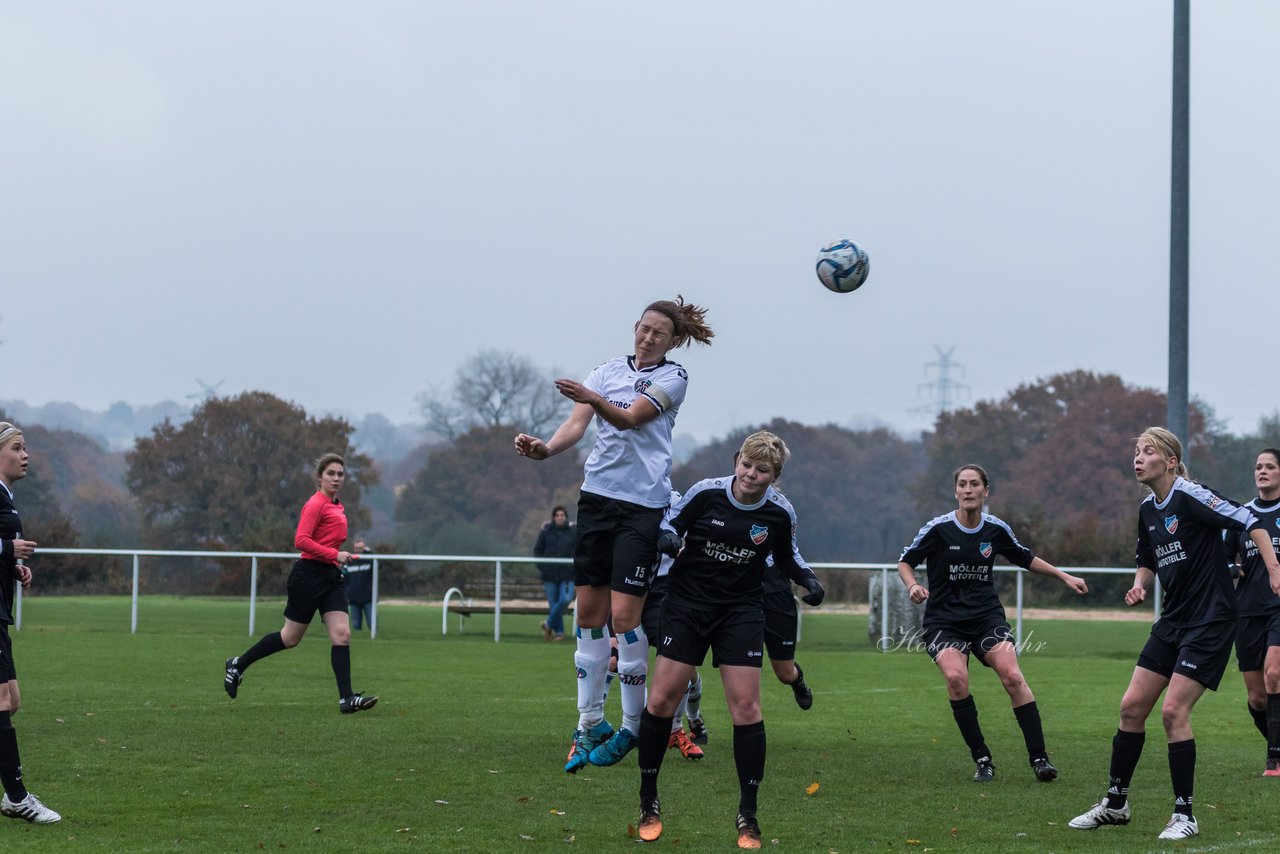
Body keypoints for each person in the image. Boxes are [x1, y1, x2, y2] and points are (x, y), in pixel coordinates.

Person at [515, 296, 713, 773]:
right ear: (635, 327)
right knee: (589, 613)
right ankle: (589, 723)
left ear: (673, 341)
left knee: (626, 618)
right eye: (643, 328)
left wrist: (592, 397)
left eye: (658, 333)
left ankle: (633, 725)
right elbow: (577, 425)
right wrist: (547, 450)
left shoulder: (674, 378)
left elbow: (629, 417)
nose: (647, 338)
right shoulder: (606, 370)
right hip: (598, 500)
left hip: (642, 508)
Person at [1069, 428, 1280, 840]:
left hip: (1212, 620)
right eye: (1135, 450)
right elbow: (1147, 558)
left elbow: (1250, 519)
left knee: (1172, 712)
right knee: (1131, 707)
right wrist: (1140, 583)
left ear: (1169, 461)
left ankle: (1185, 815)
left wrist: (1273, 567)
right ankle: (1115, 804)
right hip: (1174, 619)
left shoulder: (1191, 495)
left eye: (1147, 451)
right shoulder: (1149, 509)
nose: (1138, 457)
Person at [632, 431, 825, 849]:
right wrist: (667, 538)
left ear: (775, 476)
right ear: (737, 461)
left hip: (740, 611)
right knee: (663, 699)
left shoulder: (778, 511)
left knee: (747, 707)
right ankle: (649, 801)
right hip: (687, 607)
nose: (751, 475)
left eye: (763, 470)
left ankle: (748, 815)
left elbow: (789, 554)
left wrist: (807, 579)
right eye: (747, 465)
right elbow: (670, 522)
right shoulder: (706, 493)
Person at [897, 463, 1087, 785]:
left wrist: (1063, 575)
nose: (968, 490)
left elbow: (1025, 557)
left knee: (1013, 676)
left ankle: (1039, 759)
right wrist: (912, 585)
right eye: (962, 484)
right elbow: (905, 561)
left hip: (986, 617)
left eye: (974, 484)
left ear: (986, 491)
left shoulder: (995, 529)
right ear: (955, 491)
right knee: (956, 678)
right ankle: (982, 758)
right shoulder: (938, 529)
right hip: (944, 621)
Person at [223, 453, 378, 714]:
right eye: (331, 473)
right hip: (308, 576)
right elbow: (301, 540)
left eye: (340, 474)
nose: (337, 478)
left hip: (331, 576)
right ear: (320, 477)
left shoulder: (337, 506)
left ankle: (346, 699)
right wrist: (334, 554)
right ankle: (237, 664)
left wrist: (336, 557)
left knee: (342, 635)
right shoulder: (315, 504)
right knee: (290, 638)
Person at [0, 423, 61, 824]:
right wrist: (7, 548)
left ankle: (12, 796)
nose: (26, 456)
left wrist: (14, 567)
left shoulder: (7, 498)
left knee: (11, 701)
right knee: (2, 702)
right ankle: (17, 797)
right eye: (18, 448)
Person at [639, 490, 705, 761]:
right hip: (628, 583)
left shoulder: (681, 501)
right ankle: (599, 726)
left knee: (680, 664)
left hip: (666, 587)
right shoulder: (628, 496)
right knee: (613, 659)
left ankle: (678, 728)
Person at [1230, 448, 1280, 775]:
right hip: (1246, 612)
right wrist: (1232, 568)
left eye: (1270, 467)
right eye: (1259, 466)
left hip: (1278, 608)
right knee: (1257, 698)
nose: (1262, 471)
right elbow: (1221, 559)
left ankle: (1274, 760)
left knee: (1274, 674)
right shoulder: (1241, 515)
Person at [534, 506, 576, 641]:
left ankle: (547, 624)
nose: (560, 517)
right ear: (553, 517)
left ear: (566, 517)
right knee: (553, 604)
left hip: (567, 574)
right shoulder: (546, 532)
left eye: (562, 515)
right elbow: (538, 551)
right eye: (557, 515)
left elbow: (578, 550)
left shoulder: (572, 532)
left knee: (565, 599)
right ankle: (559, 633)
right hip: (550, 574)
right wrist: (543, 567)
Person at [343, 541, 373, 632]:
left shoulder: (369, 560)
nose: (358, 550)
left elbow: (379, 564)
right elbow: (344, 579)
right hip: (353, 599)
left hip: (368, 598)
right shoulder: (349, 562)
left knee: (372, 623)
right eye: (356, 548)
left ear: (364, 549)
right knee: (356, 625)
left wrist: (369, 552)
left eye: (361, 548)